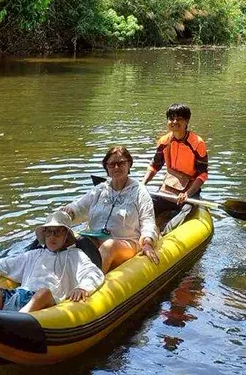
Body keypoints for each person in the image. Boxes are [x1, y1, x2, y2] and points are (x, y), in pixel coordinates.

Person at [0, 211, 104, 313]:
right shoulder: (34, 254)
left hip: (46, 303)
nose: (52, 237)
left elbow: (93, 273)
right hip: (19, 296)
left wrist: (83, 287)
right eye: (48, 232)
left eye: (58, 232)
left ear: (66, 235)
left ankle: (14, 323)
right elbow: (4, 264)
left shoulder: (76, 256)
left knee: (43, 293)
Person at [61, 145, 159, 272]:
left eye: (121, 163)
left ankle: (89, 284)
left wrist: (147, 242)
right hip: (96, 239)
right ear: (106, 167)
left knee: (109, 246)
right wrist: (68, 212)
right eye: (112, 164)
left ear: (129, 164)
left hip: (126, 243)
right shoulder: (100, 190)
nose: (116, 167)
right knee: (73, 240)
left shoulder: (139, 191)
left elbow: (148, 220)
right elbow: (78, 208)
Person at [142, 103, 208, 231]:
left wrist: (187, 194)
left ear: (187, 121)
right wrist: (143, 184)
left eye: (179, 119)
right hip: (168, 189)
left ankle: (165, 234)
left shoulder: (197, 143)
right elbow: (155, 165)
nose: (175, 122)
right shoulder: (164, 141)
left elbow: (202, 174)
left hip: (190, 191)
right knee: (146, 205)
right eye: (171, 118)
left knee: (184, 214)